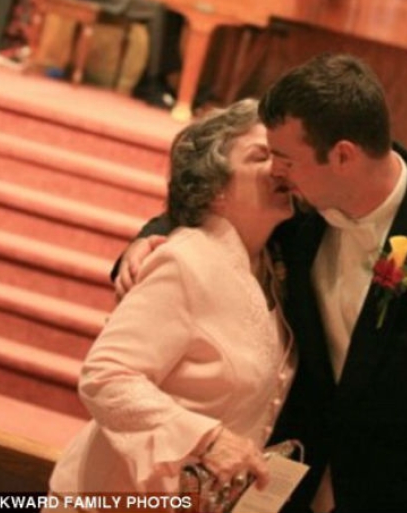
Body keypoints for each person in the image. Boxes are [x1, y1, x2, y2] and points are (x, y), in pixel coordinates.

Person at [116, 53, 407, 513]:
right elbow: (217, 205)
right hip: (283, 486)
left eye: (286, 158)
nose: (276, 172)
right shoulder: (297, 209)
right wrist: (152, 235)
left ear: (342, 155)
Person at [49, 100, 296, 507]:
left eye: (283, 156)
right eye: (261, 156)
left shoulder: (272, 267)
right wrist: (207, 438)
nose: (281, 168)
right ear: (216, 187)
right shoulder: (184, 262)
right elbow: (105, 376)